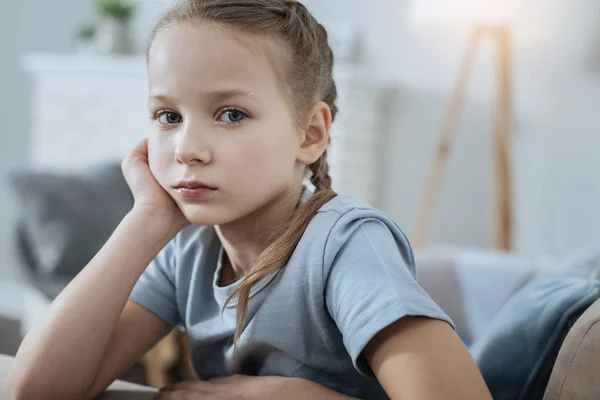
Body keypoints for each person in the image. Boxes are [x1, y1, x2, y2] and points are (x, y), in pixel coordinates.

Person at [7, 1, 492, 399]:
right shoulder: (187, 252)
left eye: (232, 113)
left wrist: (290, 398)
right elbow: (34, 392)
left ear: (310, 133)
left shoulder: (346, 244)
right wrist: (146, 219)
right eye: (168, 115)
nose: (187, 150)